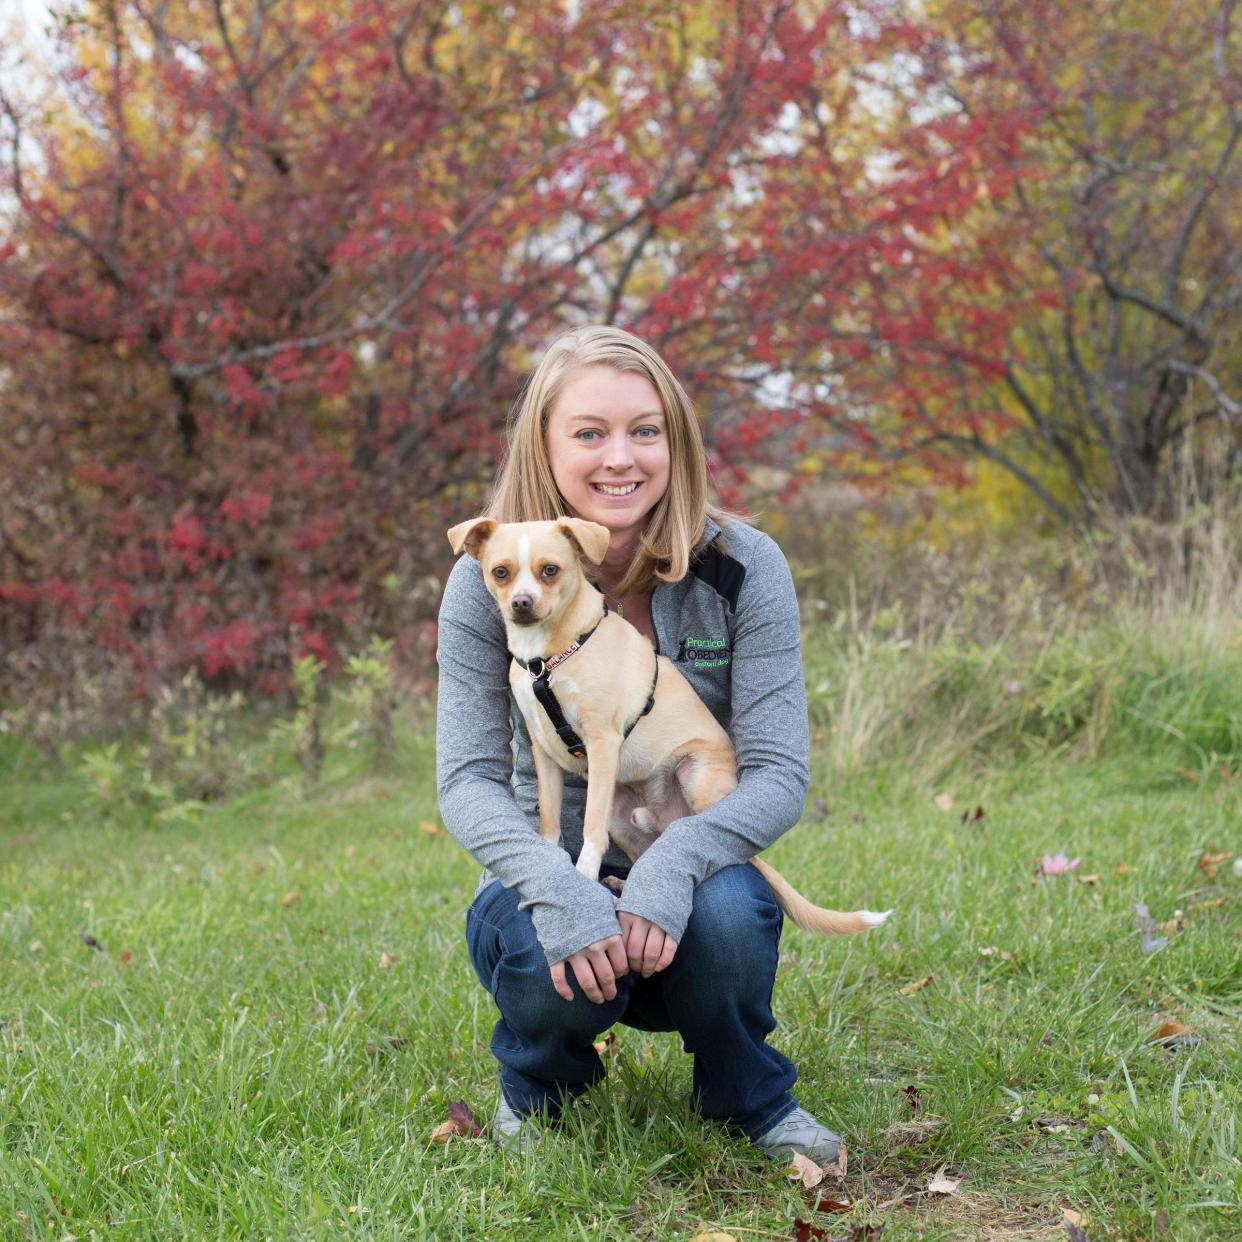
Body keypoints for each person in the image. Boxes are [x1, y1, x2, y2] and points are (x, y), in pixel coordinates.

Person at [436, 324, 840, 1160]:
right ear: (544, 447)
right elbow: (467, 780)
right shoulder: (490, 577)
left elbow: (778, 773)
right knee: (539, 934)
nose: (620, 457)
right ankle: (541, 1088)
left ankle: (746, 1095)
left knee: (728, 916)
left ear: (675, 442)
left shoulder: (743, 566)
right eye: (589, 433)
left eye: (644, 431)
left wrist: (674, 862)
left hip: (684, 849)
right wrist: (553, 881)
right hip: (546, 865)